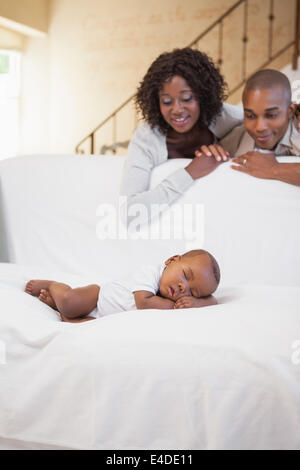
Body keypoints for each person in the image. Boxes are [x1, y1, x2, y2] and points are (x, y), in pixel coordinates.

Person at [120, 47, 244, 224]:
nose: (177, 109)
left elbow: (261, 123)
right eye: (167, 101)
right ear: (156, 102)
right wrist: (191, 172)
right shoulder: (146, 139)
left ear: (202, 96)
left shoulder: (224, 118)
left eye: (187, 99)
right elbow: (130, 215)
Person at [24, 249, 220, 323]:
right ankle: (55, 286)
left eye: (193, 292)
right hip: (98, 297)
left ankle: (57, 308)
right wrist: (177, 307)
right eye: (185, 275)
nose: (182, 287)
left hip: (103, 318)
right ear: (171, 260)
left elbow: (214, 300)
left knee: (78, 329)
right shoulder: (151, 273)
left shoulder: (181, 298)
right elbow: (143, 302)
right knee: (70, 302)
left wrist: (196, 303)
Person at [218, 69, 300, 186]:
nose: (260, 127)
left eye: (271, 115)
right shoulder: (237, 137)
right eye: (250, 116)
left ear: (290, 111)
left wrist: (274, 169)